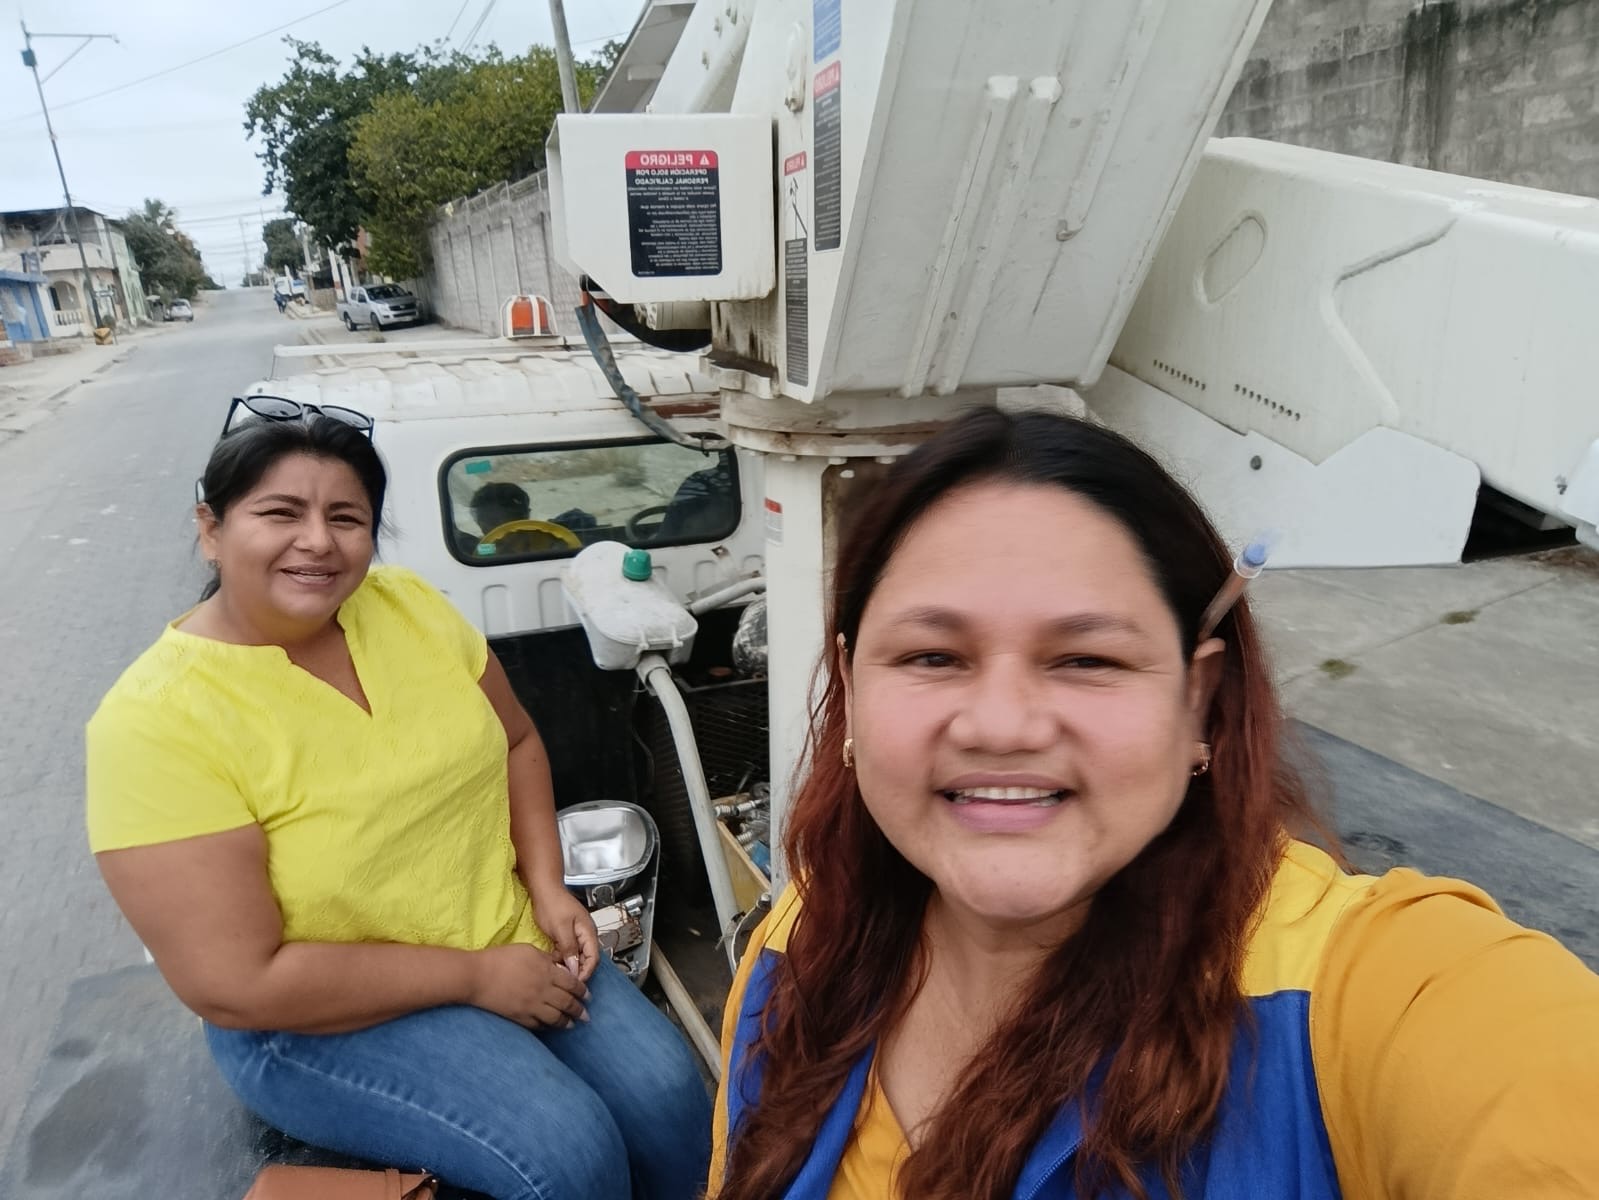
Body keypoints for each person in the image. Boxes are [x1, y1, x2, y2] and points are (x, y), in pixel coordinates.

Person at [709, 407, 1599, 1200]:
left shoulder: (1381, 999)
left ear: (1197, 703)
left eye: (1086, 659)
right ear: (851, 688)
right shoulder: (802, 941)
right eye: (931, 657)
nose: (1002, 725)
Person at [87, 414, 711, 1200]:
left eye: (345, 517)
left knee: (672, 1102)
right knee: (568, 1153)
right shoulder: (156, 720)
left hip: (502, 935)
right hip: (317, 1018)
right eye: (280, 513)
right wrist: (475, 979)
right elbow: (236, 981)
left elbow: (516, 741)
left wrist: (547, 888)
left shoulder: (408, 607)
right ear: (211, 529)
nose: (318, 541)